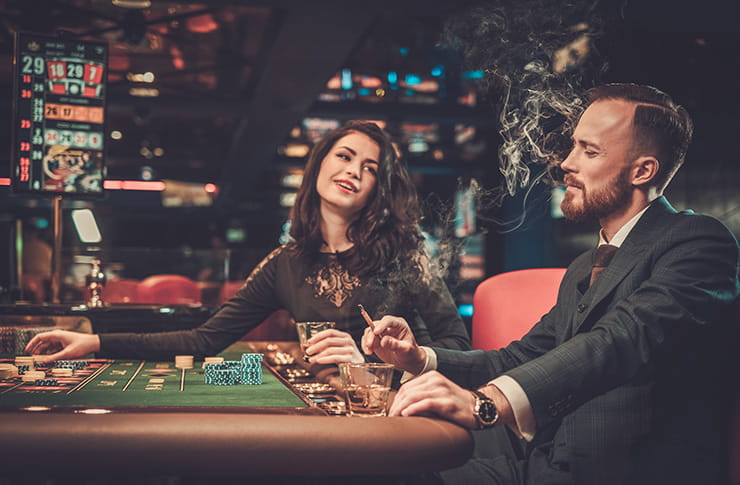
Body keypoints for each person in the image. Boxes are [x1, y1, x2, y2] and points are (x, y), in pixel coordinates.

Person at [361, 84, 740, 485]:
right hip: (541, 461)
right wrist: (419, 359)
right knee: (377, 464)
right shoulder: (582, 267)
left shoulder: (699, 243)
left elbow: (620, 339)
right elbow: (516, 358)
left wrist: (485, 403)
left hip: (623, 473)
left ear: (642, 171)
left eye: (589, 151)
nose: (566, 163)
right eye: (573, 146)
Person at [26, 121, 471, 365]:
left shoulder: (404, 255)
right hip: (319, 415)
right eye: (345, 156)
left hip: (394, 419)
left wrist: (373, 363)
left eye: (371, 168)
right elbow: (201, 340)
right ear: (318, 166)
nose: (355, 171)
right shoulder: (285, 264)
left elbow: (459, 345)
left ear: (378, 187)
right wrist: (96, 341)